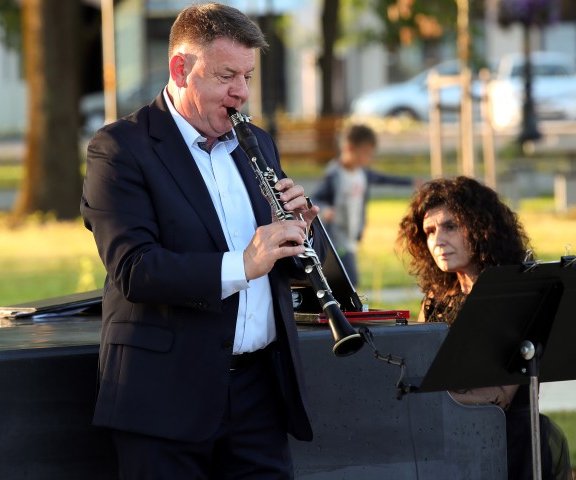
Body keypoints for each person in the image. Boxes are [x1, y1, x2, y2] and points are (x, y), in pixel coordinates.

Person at [80, 4, 319, 478]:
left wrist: (298, 232)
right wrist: (245, 262)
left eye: (248, 76)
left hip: (259, 394)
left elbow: (280, 265)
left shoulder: (258, 143)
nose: (242, 93)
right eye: (227, 75)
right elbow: (135, 269)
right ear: (180, 69)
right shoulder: (118, 149)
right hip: (164, 400)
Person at [397, 176, 572, 480]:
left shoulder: (516, 294)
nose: (438, 241)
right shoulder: (436, 298)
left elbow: (498, 396)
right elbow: (421, 369)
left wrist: (417, 398)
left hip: (507, 446)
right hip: (446, 444)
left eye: (451, 226)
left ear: (481, 227)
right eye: (430, 231)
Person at [313, 124, 418, 286]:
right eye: (366, 153)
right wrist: (325, 210)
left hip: (351, 238)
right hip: (335, 239)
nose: (369, 158)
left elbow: (385, 179)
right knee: (349, 281)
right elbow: (315, 199)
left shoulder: (363, 174)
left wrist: (411, 182)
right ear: (349, 148)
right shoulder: (334, 175)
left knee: (343, 282)